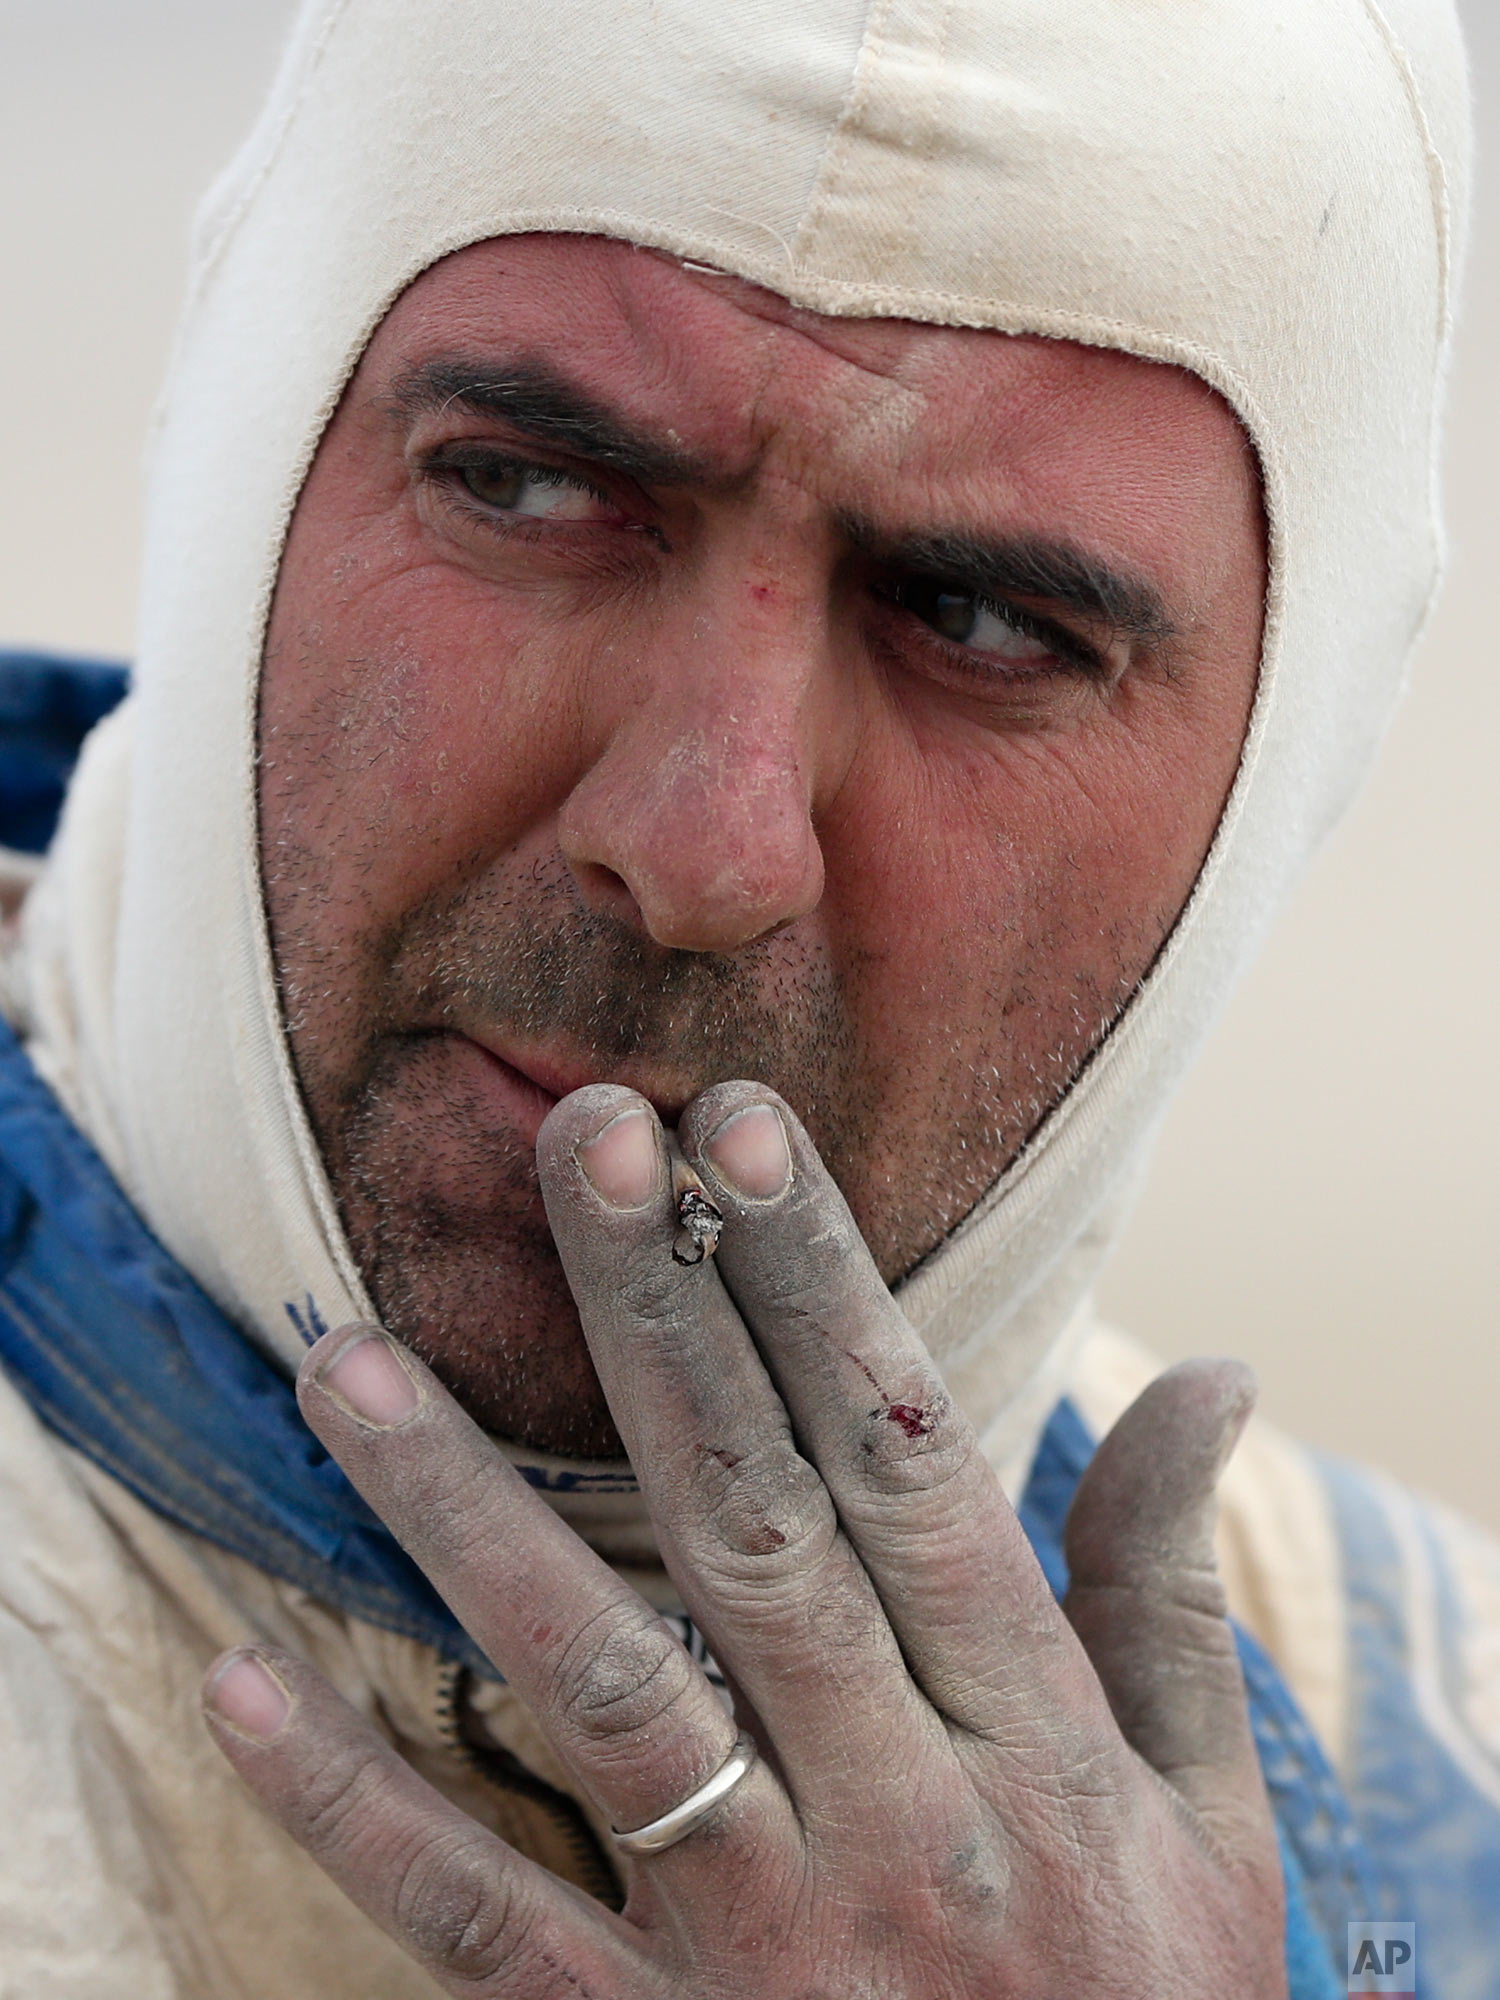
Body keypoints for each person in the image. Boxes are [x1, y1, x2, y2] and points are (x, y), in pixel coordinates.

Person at [0, 0, 1495, 1994]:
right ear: (237, 450)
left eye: (980, 621)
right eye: (526, 488)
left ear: (1282, 775)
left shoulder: (1434, 1774)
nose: (705, 846)